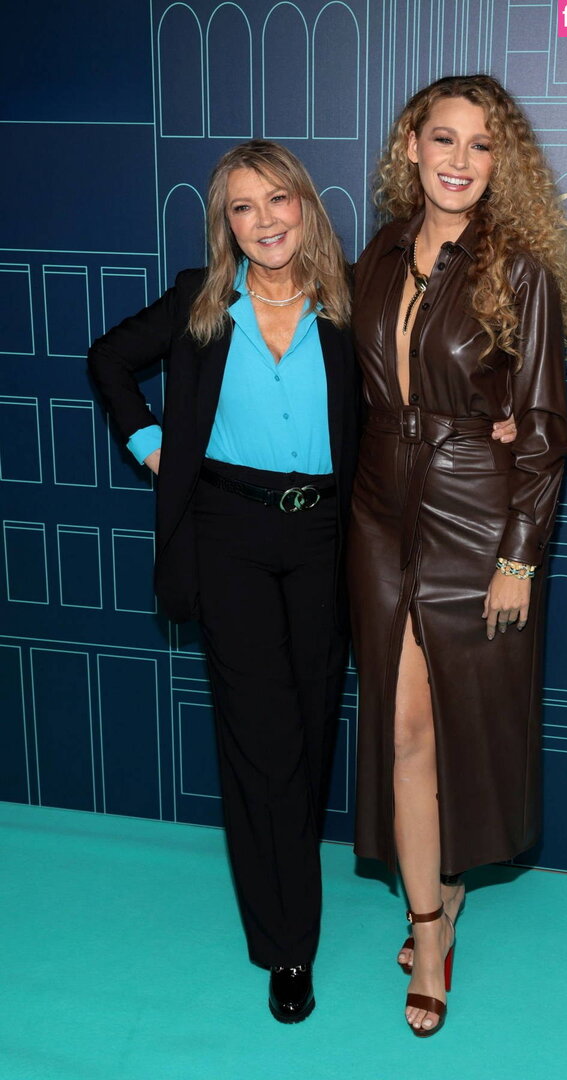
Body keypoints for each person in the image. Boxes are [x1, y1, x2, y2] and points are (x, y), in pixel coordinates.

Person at [88, 140, 360, 1023]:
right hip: (228, 533)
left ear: (304, 205)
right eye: (244, 207)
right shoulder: (200, 301)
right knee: (260, 742)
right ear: (226, 224)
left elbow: (417, 390)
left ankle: (286, 890)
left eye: (278, 199)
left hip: (325, 537)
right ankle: (287, 945)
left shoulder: (351, 301)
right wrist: (153, 447)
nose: (265, 220)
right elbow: (108, 360)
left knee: (310, 731)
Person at [348, 74, 567, 1036]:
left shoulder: (516, 270)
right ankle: (429, 918)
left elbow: (544, 431)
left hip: (475, 517)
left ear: (500, 162)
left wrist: (519, 555)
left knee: (457, 729)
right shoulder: (377, 255)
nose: (459, 160)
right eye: (442, 139)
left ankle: (441, 913)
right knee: (402, 731)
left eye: (481, 145)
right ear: (411, 146)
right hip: (377, 513)